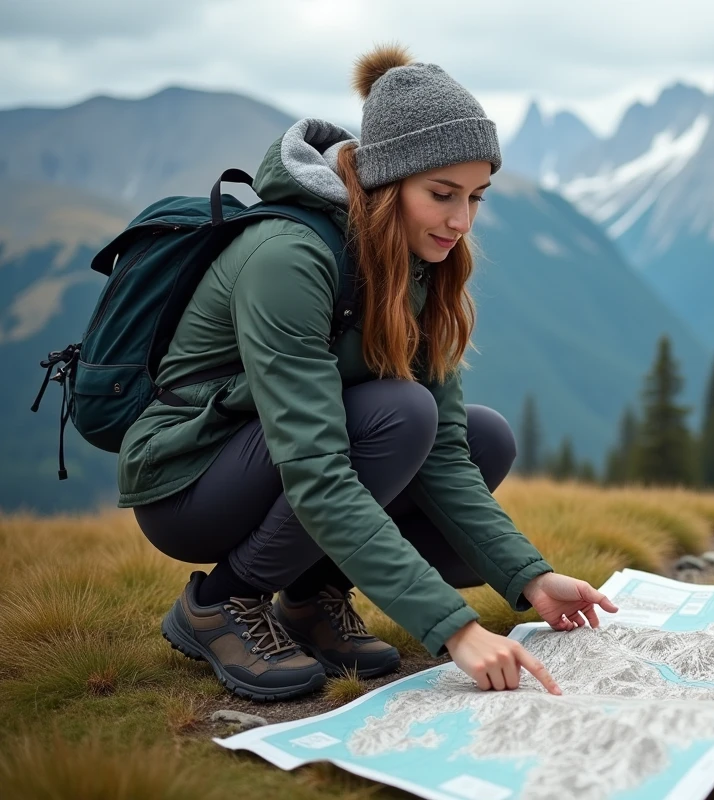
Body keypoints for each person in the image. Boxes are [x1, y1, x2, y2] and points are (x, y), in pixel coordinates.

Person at [116, 43, 617, 702]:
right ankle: (219, 603)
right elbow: (318, 470)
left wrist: (531, 579)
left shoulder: (417, 263)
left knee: (480, 436)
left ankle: (311, 598)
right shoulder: (289, 259)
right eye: (442, 195)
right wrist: (455, 630)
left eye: (475, 197)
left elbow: (444, 452)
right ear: (388, 181)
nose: (461, 222)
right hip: (189, 480)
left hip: (280, 462)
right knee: (401, 415)